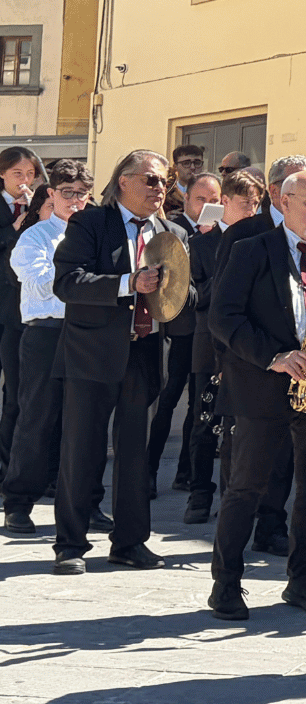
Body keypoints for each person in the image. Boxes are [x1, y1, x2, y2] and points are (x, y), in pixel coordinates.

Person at [207, 171, 306, 621]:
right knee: (247, 486)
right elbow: (223, 318)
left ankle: (304, 579)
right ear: (285, 201)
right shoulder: (250, 249)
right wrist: (273, 356)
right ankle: (226, 583)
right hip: (263, 384)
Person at [51, 149, 175, 573]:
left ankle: (129, 542)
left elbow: (186, 296)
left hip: (143, 352)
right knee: (81, 450)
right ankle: (69, 544)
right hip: (92, 353)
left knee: (134, 454)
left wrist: (179, 294)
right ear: (124, 180)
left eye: (165, 182)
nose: (161, 189)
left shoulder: (171, 232)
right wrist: (128, 283)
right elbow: (67, 282)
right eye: (152, 180)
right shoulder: (92, 221)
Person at [3, 165, 90, 535]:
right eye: (67, 191)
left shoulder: (95, 236)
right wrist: (89, 284)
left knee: (85, 422)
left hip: (88, 334)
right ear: (51, 194)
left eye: (81, 193)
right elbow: (39, 284)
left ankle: (87, 502)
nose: (75, 199)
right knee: (36, 418)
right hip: (46, 334)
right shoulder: (35, 236)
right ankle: (19, 503)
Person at [183, 169, 264, 524]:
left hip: (247, 344)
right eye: (244, 202)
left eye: (256, 203)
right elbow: (197, 297)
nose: (251, 209)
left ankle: (235, 499)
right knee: (204, 422)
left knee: (239, 427)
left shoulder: (263, 238)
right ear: (224, 203)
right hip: (208, 344)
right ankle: (199, 494)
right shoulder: (201, 243)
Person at [147, 171, 217, 495]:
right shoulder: (174, 229)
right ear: (187, 199)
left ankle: (185, 472)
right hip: (183, 326)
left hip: (209, 330)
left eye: (214, 200)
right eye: (201, 199)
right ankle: (149, 469)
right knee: (171, 395)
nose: (207, 205)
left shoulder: (221, 235)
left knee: (198, 405)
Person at [0, 145, 44, 476]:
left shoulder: (39, 207)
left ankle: (10, 467)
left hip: (20, 313)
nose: (24, 181)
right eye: (17, 174)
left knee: (16, 394)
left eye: (30, 174)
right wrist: (10, 232)